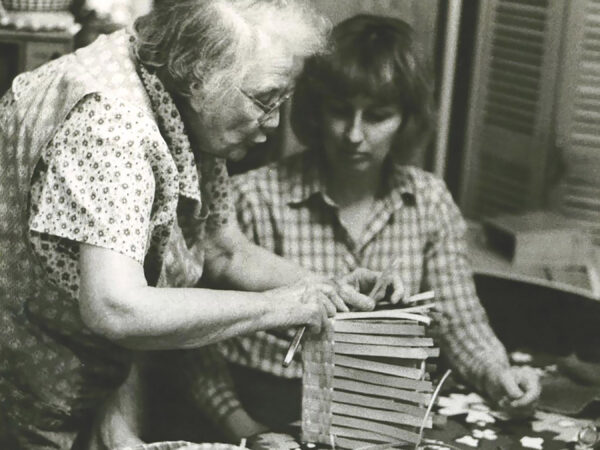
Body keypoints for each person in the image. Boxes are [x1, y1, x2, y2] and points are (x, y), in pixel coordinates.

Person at [0, 3, 401, 449]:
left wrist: (326, 291)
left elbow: (222, 248)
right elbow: (115, 307)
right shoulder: (111, 128)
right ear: (197, 76)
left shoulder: (173, 84)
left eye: (282, 100)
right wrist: (277, 307)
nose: (274, 122)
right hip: (25, 390)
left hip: (87, 377)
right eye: (264, 100)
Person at [188, 13, 542, 440]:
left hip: (384, 412)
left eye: (377, 116)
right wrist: (245, 429)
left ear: (407, 120)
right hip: (269, 409)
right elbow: (198, 352)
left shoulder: (428, 200)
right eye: (340, 111)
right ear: (317, 111)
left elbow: (460, 322)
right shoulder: (248, 200)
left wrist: (500, 376)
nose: (354, 134)